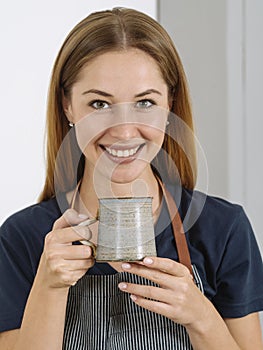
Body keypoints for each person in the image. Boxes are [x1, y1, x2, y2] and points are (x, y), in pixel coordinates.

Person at [0, 7, 262, 350]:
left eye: (144, 102)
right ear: (67, 107)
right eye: (98, 104)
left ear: (170, 104)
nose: (124, 130)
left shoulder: (223, 230)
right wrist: (49, 287)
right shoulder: (22, 238)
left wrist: (200, 315)